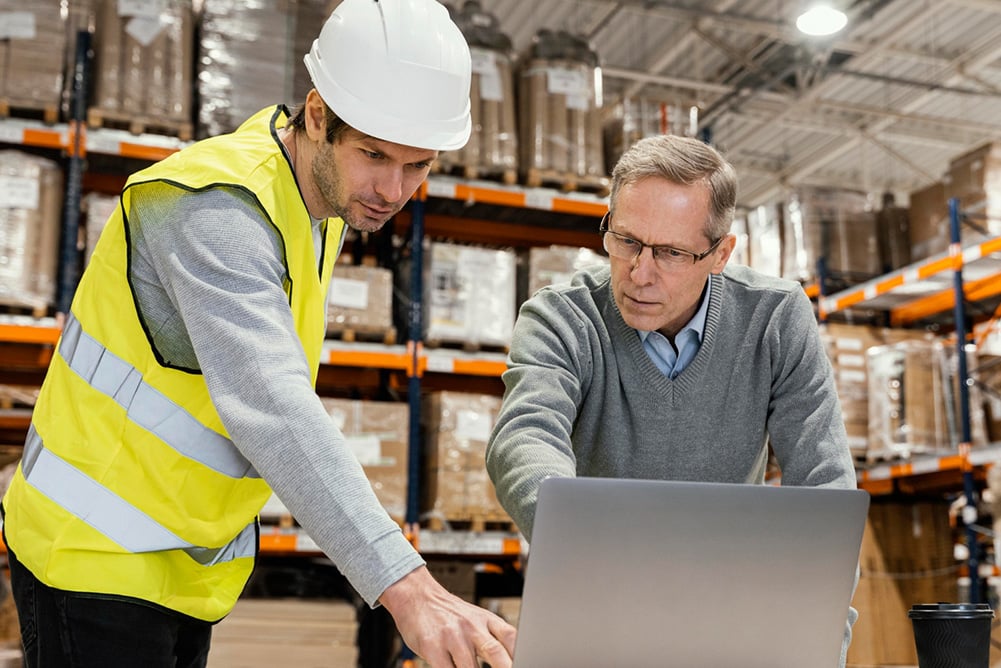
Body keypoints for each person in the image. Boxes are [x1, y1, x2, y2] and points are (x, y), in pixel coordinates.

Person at [1, 1, 516, 666]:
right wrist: (410, 589)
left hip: (180, 565)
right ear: (317, 115)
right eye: (374, 155)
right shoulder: (214, 208)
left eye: (418, 165)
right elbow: (270, 403)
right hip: (95, 556)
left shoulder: (318, 205)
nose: (392, 190)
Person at [485, 133, 859, 665]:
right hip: (592, 619)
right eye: (627, 241)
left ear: (720, 254)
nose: (640, 273)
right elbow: (524, 438)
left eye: (671, 253)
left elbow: (826, 489)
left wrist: (822, 641)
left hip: (731, 629)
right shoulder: (561, 317)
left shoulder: (775, 318)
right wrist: (587, 539)